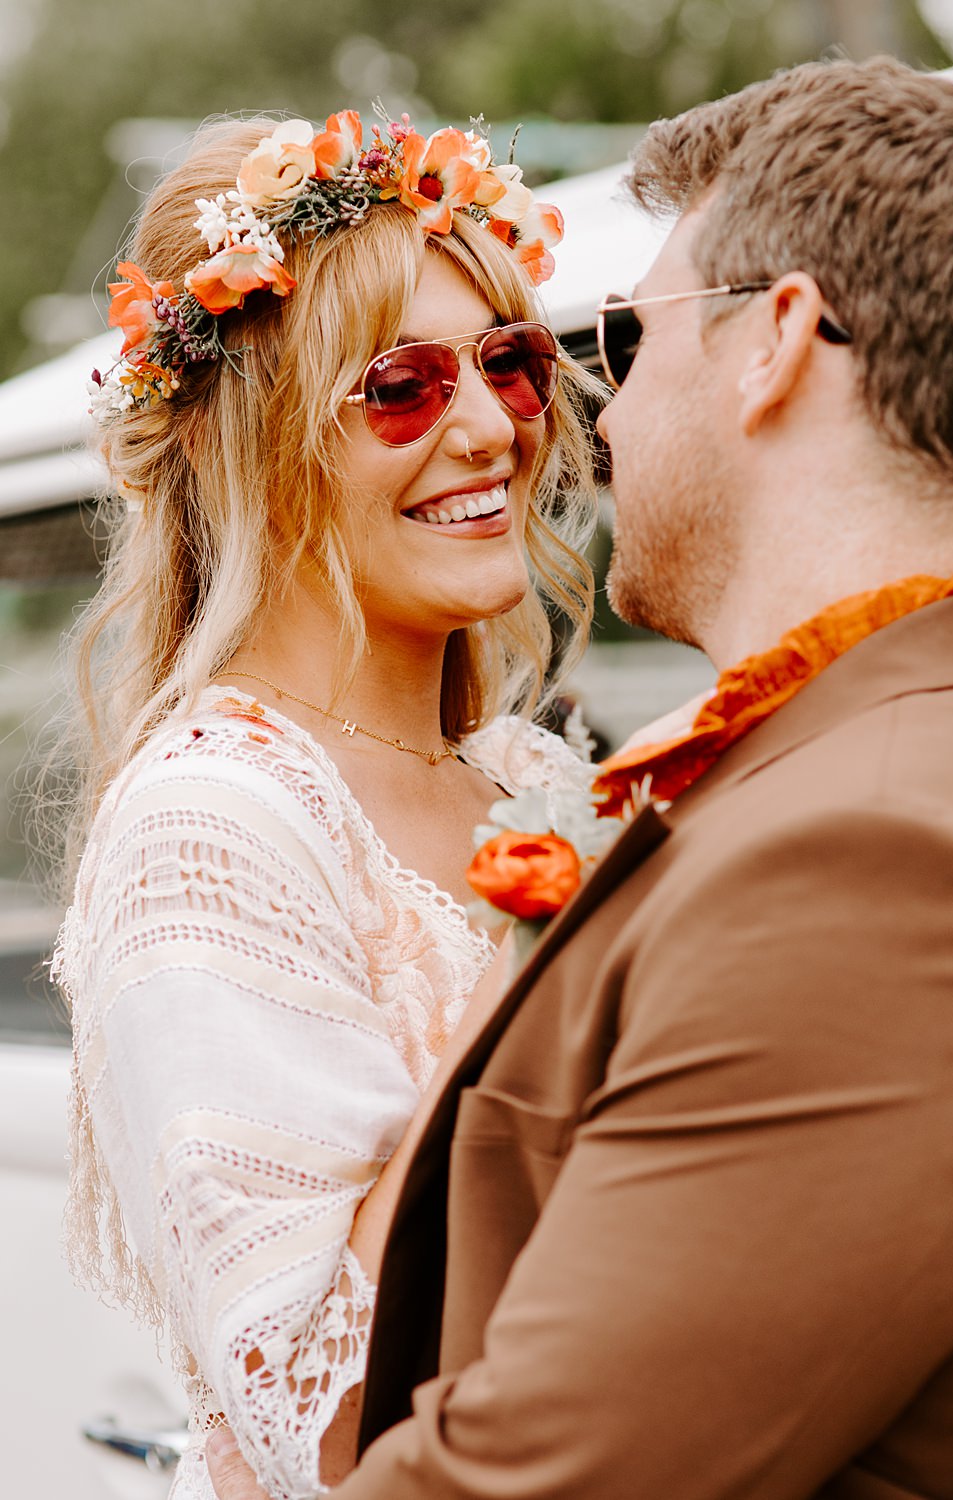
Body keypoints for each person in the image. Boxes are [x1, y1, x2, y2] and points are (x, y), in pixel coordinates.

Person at [202, 56, 953, 1500]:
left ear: (776, 343)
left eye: (626, 339)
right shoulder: (864, 767)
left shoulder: (879, 860)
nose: (577, 420)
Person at [51, 107, 602, 1500]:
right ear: (256, 443)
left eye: (512, 366)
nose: (488, 430)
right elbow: (329, 1416)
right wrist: (534, 959)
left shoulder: (532, 780)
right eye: (402, 387)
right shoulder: (217, 823)